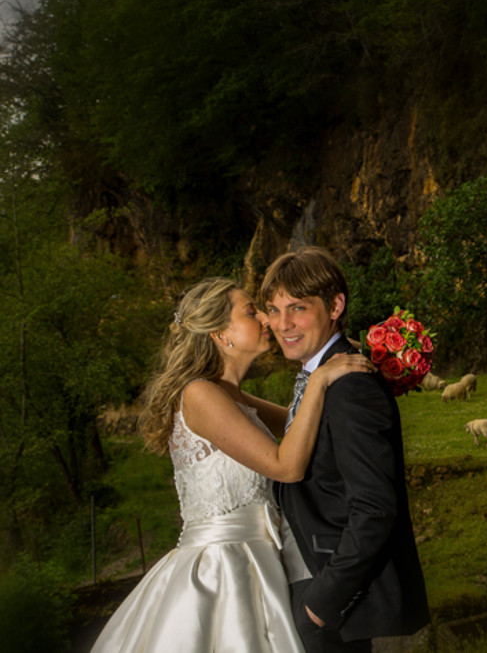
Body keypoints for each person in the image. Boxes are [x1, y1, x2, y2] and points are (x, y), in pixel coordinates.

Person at [91, 277, 372, 653]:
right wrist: (320, 378)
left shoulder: (233, 396)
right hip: (223, 568)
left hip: (262, 561)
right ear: (221, 334)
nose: (267, 319)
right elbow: (286, 466)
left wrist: (329, 357)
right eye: (252, 312)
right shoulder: (199, 394)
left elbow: (303, 424)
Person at [261, 246, 430, 652]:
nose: (283, 324)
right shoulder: (322, 374)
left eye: (298, 308)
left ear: (335, 306)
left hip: (332, 602)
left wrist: (319, 606)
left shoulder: (351, 385)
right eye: (274, 310)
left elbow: (375, 508)